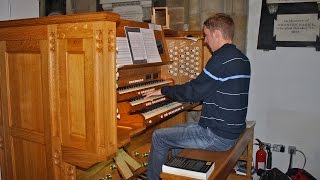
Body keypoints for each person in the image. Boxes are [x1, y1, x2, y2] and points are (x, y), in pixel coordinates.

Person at [146, 13, 251, 180]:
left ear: (217, 34)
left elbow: (194, 92)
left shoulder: (221, 59)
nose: (205, 41)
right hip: (231, 129)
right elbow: (206, 89)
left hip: (217, 136)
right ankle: (176, 173)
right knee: (180, 131)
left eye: (207, 35)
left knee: (159, 137)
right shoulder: (242, 59)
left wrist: (163, 91)